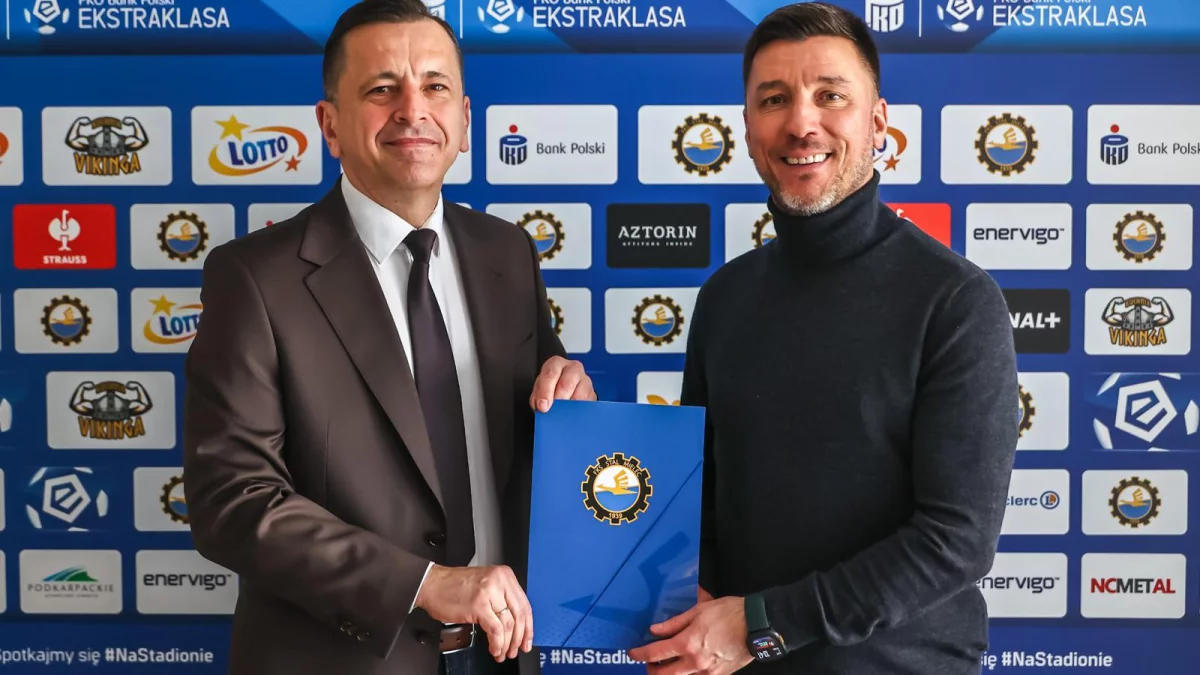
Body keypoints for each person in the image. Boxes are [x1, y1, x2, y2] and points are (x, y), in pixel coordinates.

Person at [181, 2, 594, 674]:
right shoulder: (254, 278)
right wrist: (423, 583)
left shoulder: (508, 253)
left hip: (505, 653)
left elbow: (534, 438)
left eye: (435, 86)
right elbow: (232, 500)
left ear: (465, 119)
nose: (412, 110)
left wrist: (573, 411)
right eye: (381, 89)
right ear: (330, 125)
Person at [628, 3, 1019, 674]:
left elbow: (956, 540)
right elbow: (704, 502)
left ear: (878, 122)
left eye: (830, 95)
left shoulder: (956, 300)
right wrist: (692, 606)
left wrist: (762, 625)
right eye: (773, 99)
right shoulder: (725, 297)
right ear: (747, 128)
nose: (800, 122)